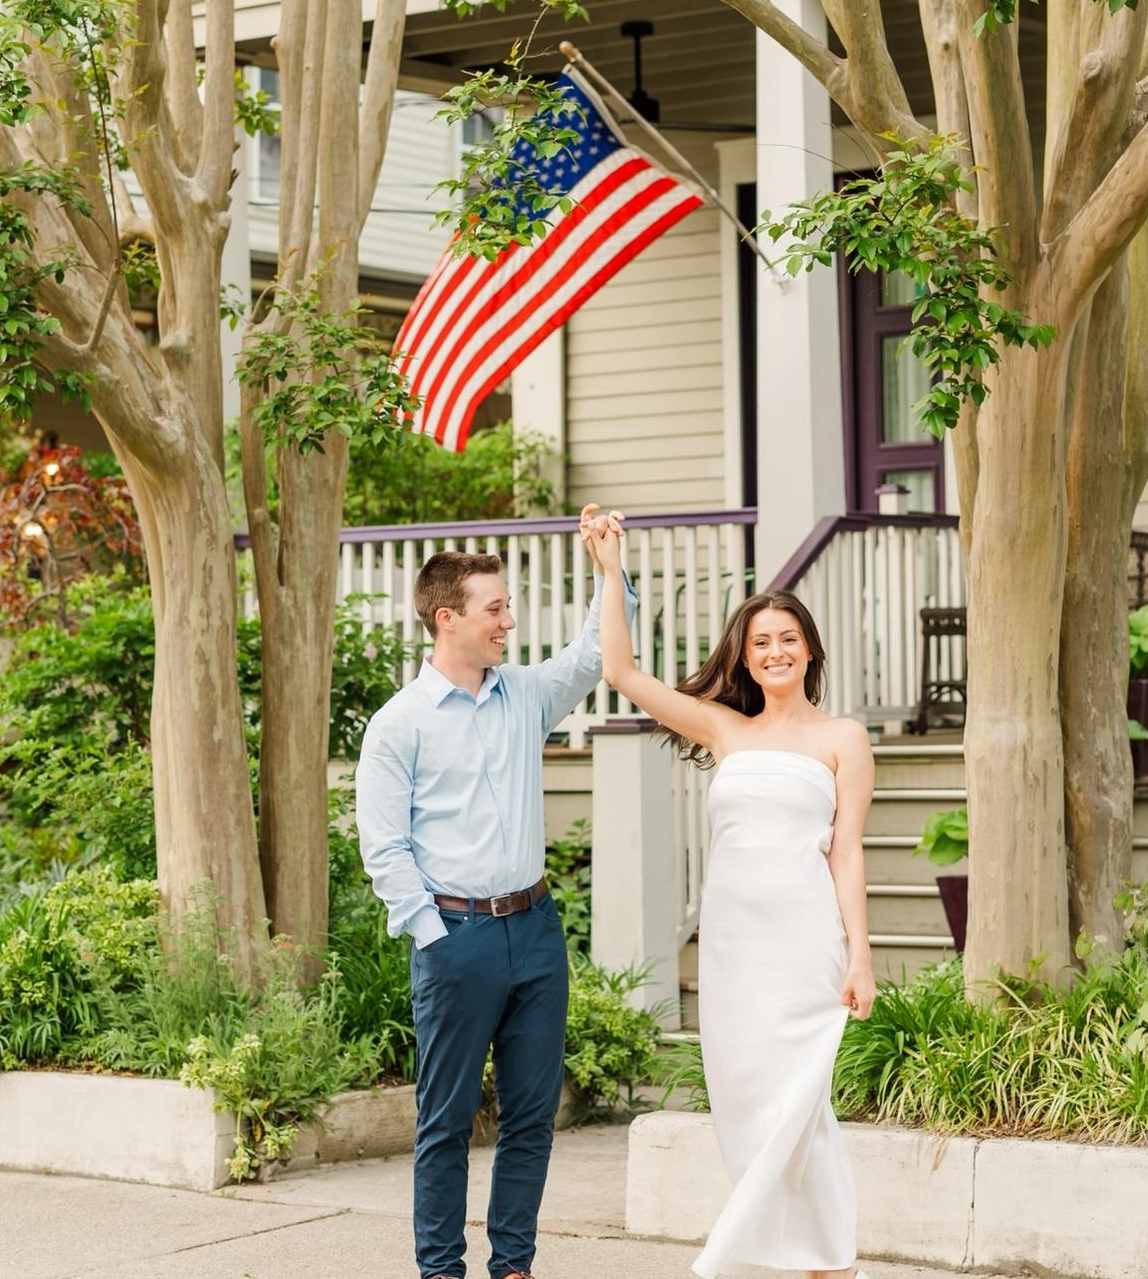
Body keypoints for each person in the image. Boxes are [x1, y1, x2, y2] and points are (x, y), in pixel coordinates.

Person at [586, 516, 876, 1279]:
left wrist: (861, 957)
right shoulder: (724, 729)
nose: (774, 652)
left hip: (806, 944)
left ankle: (828, 1263)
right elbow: (623, 672)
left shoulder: (844, 737)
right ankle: (810, 1256)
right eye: (759, 644)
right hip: (733, 949)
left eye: (786, 638)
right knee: (748, 1104)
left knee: (803, 1104)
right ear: (745, 659)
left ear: (808, 648)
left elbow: (845, 852)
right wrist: (609, 570)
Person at [356, 504, 636, 1279]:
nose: (508, 621)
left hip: (535, 933)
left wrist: (610, 569)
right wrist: (434, 937)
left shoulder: (524, 695)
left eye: (507, 606)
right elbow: (384, 848)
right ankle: (440, 1269)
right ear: (448, 619)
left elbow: (592, 655)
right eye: (495, 609)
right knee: (443, 1123)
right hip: (456, 939)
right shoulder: (399, 724)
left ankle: (513, 1264)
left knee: (532, 1118)